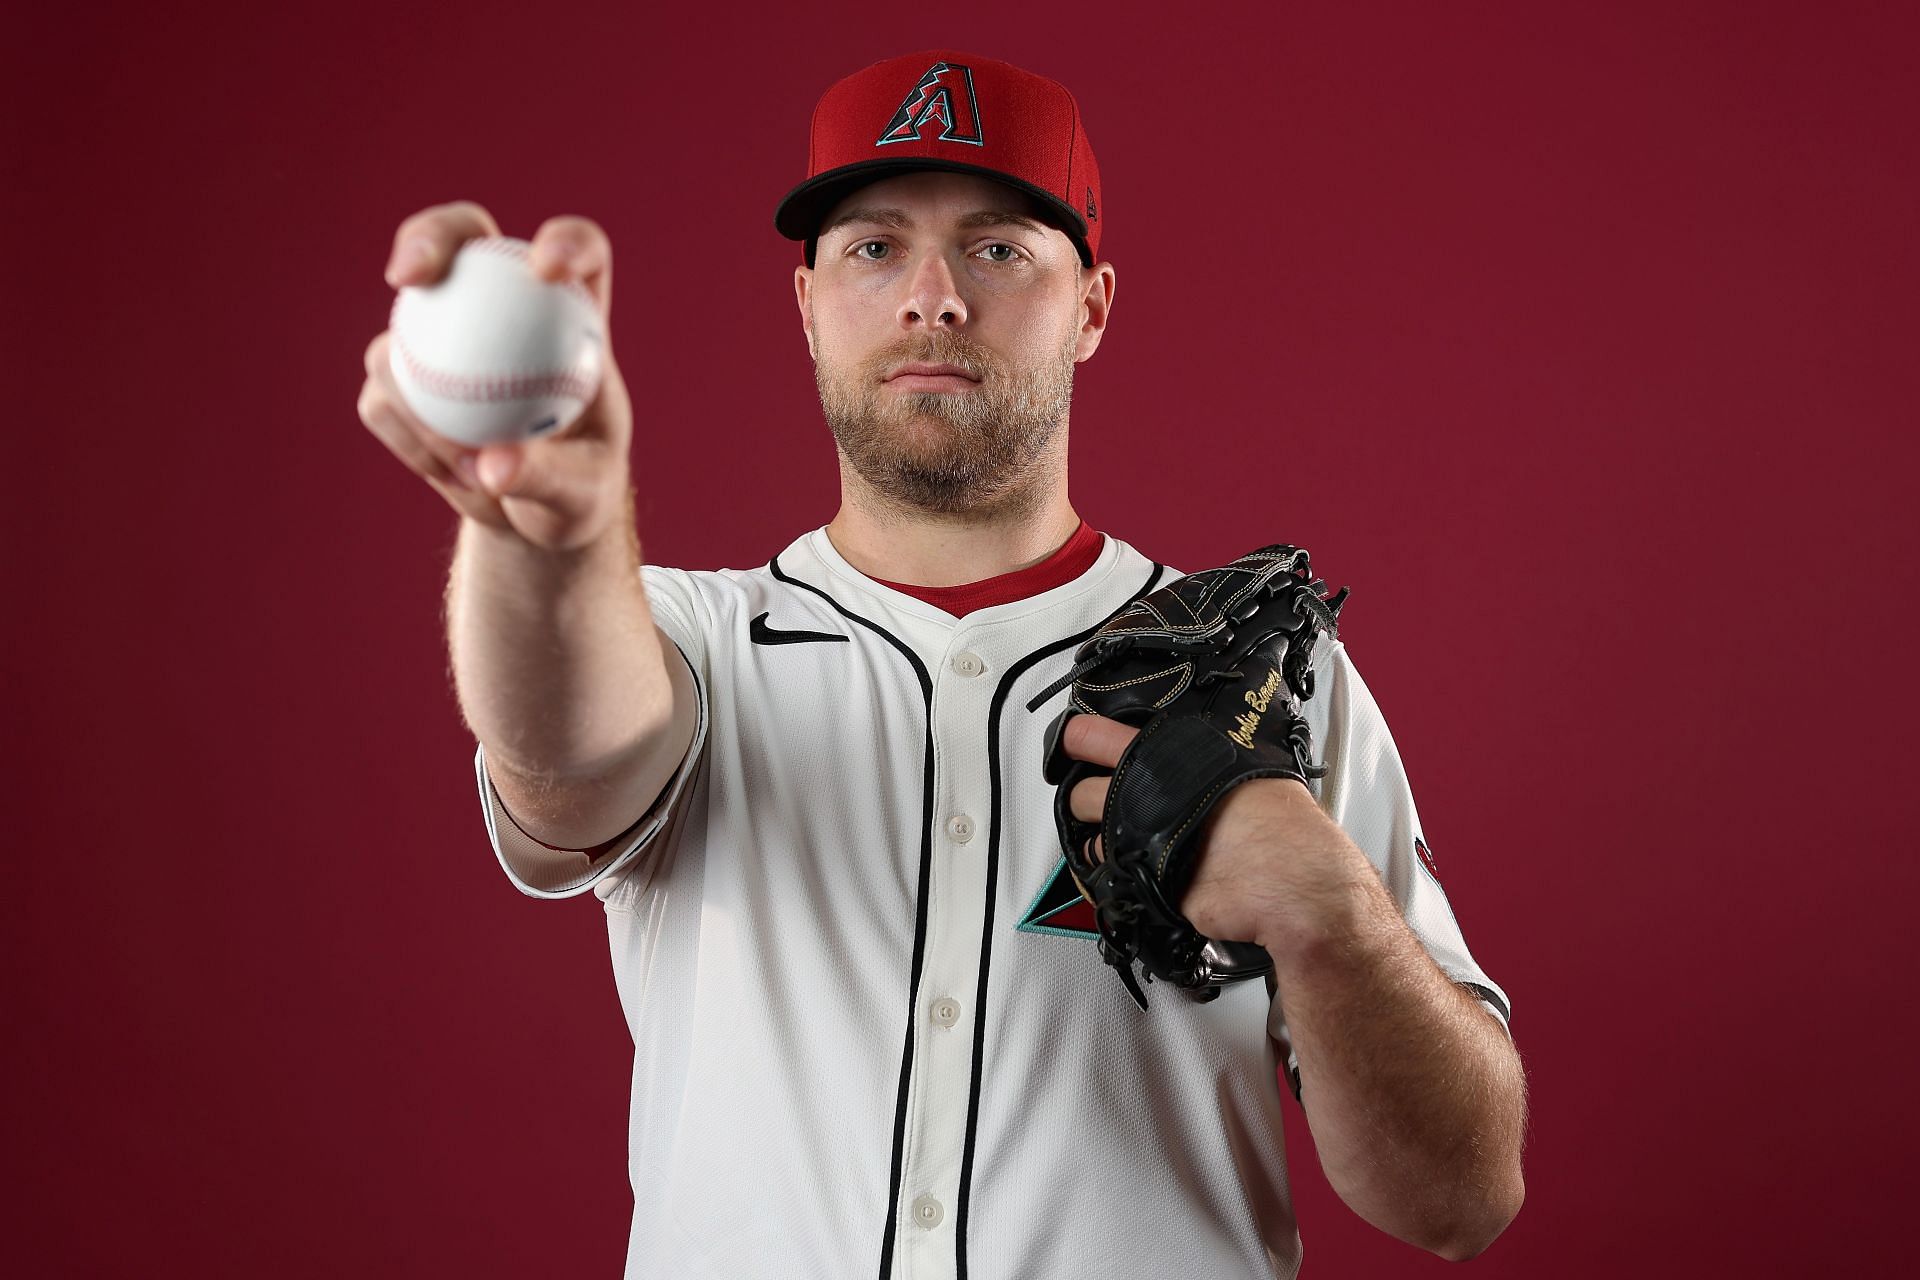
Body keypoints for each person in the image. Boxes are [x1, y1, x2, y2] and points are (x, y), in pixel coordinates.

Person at [357, 49, 1526, 1279]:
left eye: (999, 247)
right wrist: (543, 537)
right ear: (806, 301)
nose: (934, 297)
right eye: (872, 246)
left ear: (1092, 308)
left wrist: (1331, 920)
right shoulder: (691, 640)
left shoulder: (1261, 683)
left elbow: (1462, 1195)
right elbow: (563, 755)